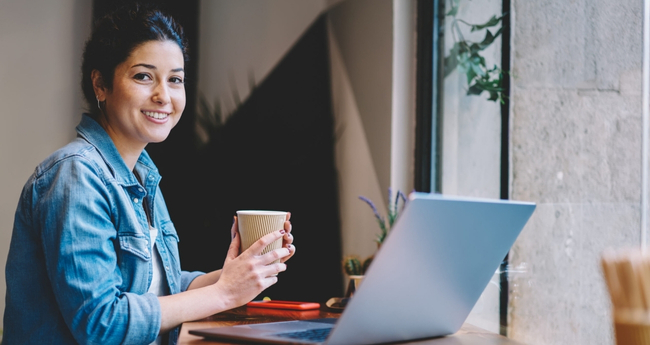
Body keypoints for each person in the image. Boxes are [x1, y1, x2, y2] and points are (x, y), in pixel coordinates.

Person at [2, 4, 296, 345]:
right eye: (143, 76)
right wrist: (224, 294)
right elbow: (101, 325)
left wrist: (242, 274)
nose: (164, 96)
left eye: (175, 80)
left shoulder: (142, 175)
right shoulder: (75, 175)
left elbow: (163, 287)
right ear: (100, 85)